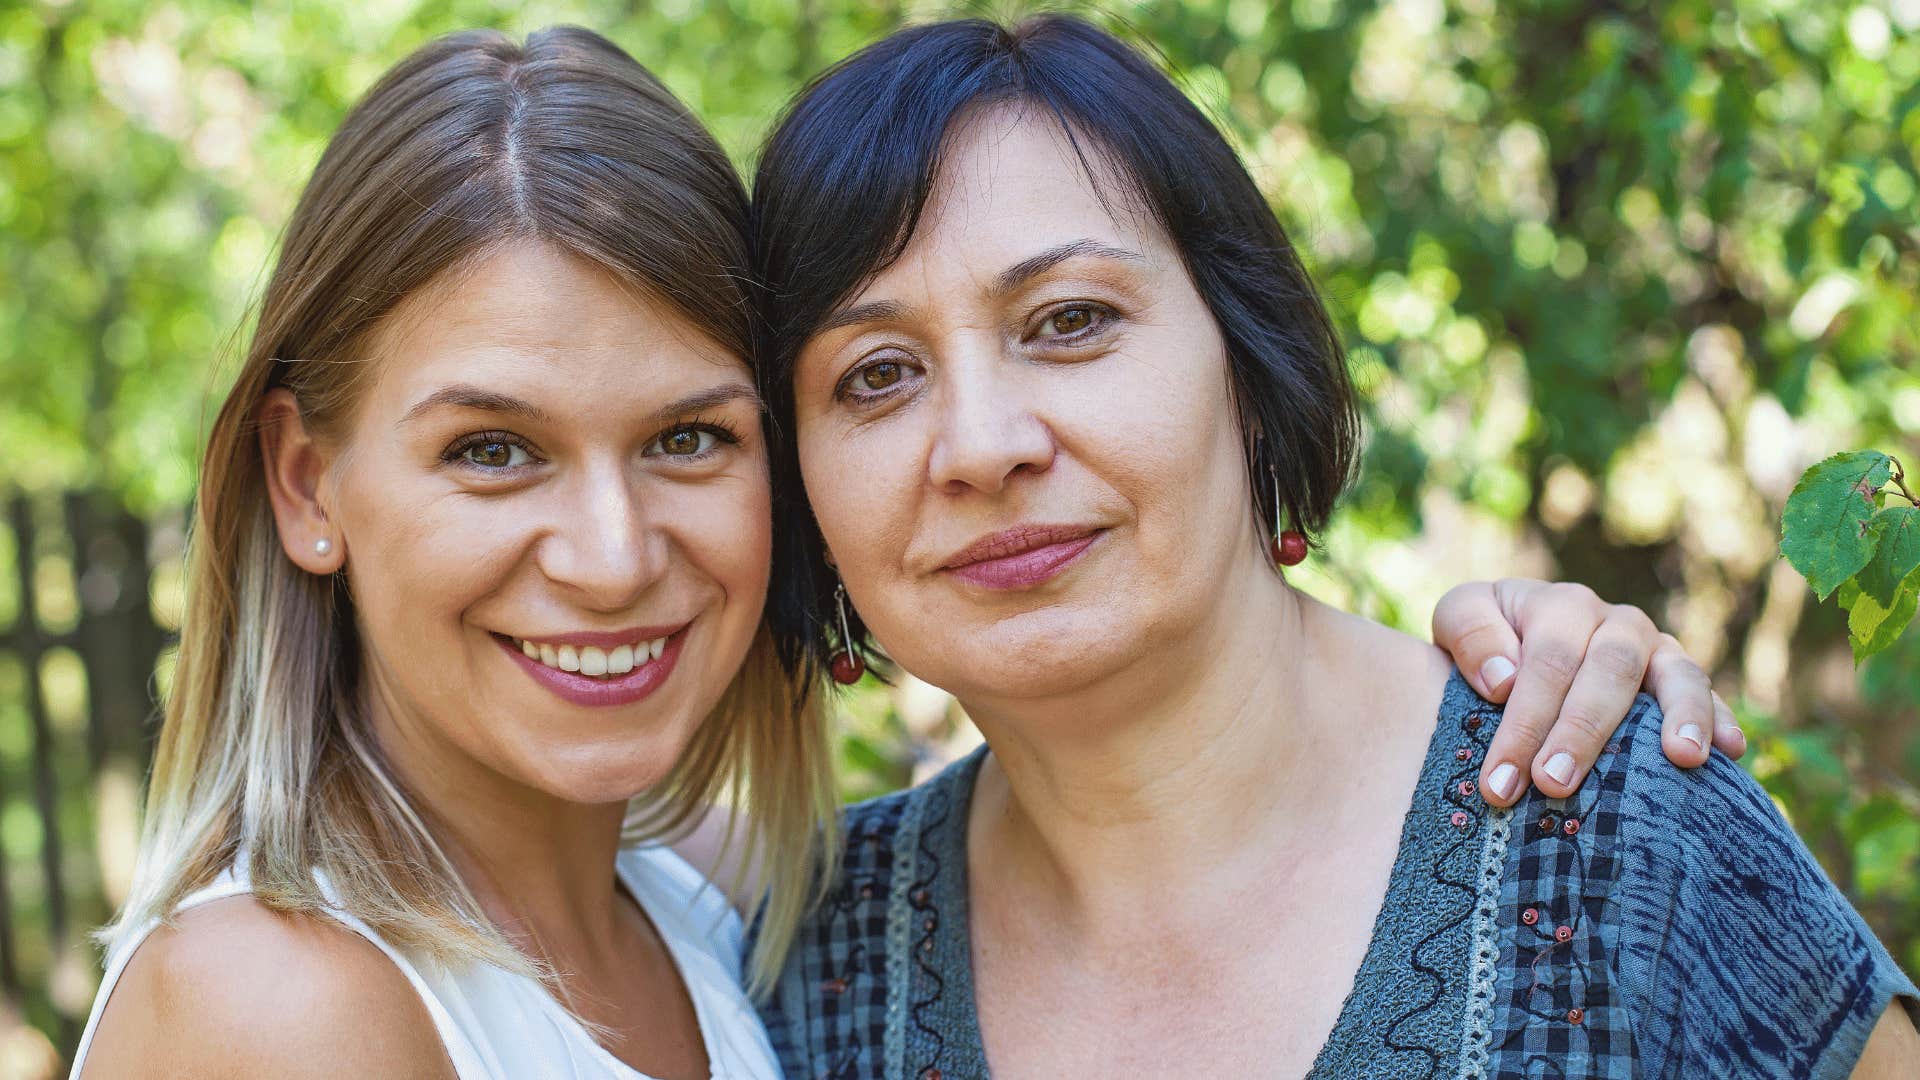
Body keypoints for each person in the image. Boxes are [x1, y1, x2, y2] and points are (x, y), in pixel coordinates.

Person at [70, 22, 1742, 1080]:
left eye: (688, 438)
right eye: (490, 449)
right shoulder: (278, 1012)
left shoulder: (748, 936)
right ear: (306, 478)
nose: (604, 550)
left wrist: (1525, 653)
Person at [750, 15, 1920, 1078]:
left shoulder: (1619, 835)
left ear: (1247, 370)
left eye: (1069, 320)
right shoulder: (796, 970)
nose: (982, 446)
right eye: (878, 375)